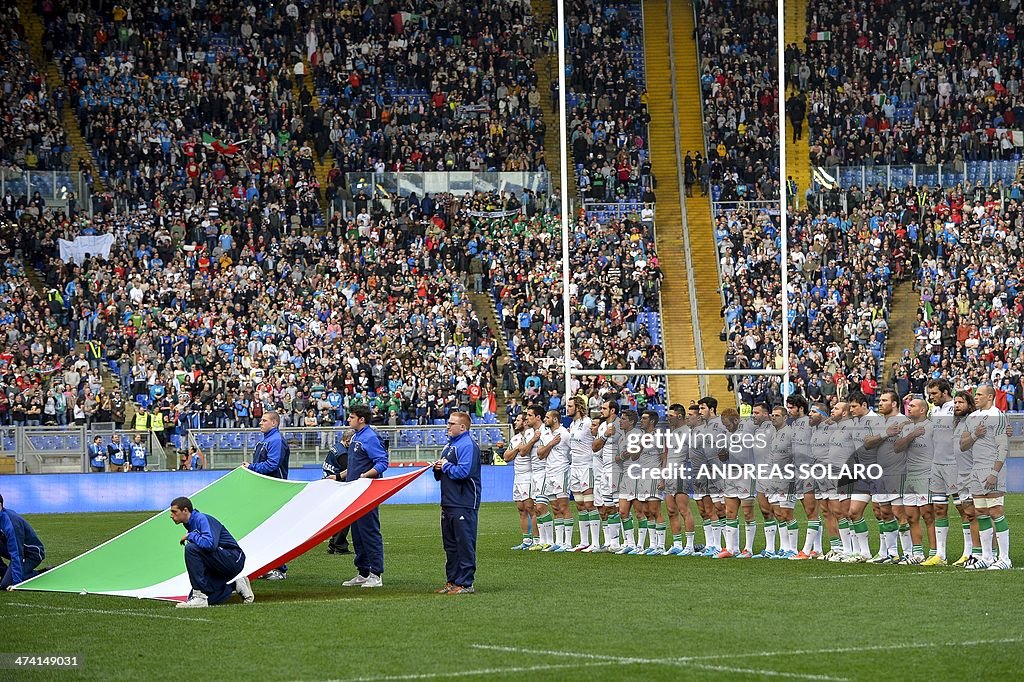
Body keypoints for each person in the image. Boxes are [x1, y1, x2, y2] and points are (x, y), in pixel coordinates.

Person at [169, 496, 254, 608]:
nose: (171, 516)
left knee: (191, 548)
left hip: (233, 559)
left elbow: (209, 544)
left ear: (185, 510)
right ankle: (236, 584)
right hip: (218, 565)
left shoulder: (201, 518)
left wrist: (190, 535)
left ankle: (199, 595)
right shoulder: (190, 524)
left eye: (174, 512)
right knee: (201, 598)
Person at [433, 412, 481, 595]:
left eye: (451, 423)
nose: (447, 426)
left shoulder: (468, 445)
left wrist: (444, 466)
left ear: (463, 427)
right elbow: (445, 470)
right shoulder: (449, 445)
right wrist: (437, 467)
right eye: (447, 423)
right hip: (449, 501)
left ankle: (466, 583)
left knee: (464, 543)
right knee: (450, 545)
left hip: (464, 502)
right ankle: (452, 581)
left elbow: (464, 472)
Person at [341, 405, 389, 588]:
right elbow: (356, 465)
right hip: (354, 492)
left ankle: (376, 574)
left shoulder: (369, 437)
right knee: (358, 533)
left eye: (351, 417)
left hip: (366, 492)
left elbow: (382, 463)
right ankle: (363, 572)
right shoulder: (356, 437)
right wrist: (340, 476)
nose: (348, 420)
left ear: (361, 419)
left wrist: (365, 476)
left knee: (369, 532)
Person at [244, 411, 291, 580]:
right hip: (265, 489)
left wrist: (252, 467)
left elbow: (272, 464)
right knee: (264, 530)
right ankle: (266, 566)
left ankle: (280, 569)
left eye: (264, 420)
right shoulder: (266, 440)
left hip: (274, 488)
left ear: (274, 423)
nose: (260, 423)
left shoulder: (276, 440)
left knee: (275, 530)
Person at [1, 494, 48, 591]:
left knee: (5, 584)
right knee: (6, 579)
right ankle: (4, 572)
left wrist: (16, 583)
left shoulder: (11, 523)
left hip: (31, 554)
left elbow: (17, 554)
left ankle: (42, 574)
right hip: (14, 550)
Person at [323, 429, 353, 555]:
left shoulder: (336, 448)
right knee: (346, 517)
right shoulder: (342, 453)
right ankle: (339, 545)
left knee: (339, 516)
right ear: (347, 441)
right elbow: (350, 470)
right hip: (338, 485)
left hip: (330, 485)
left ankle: (334, 544)